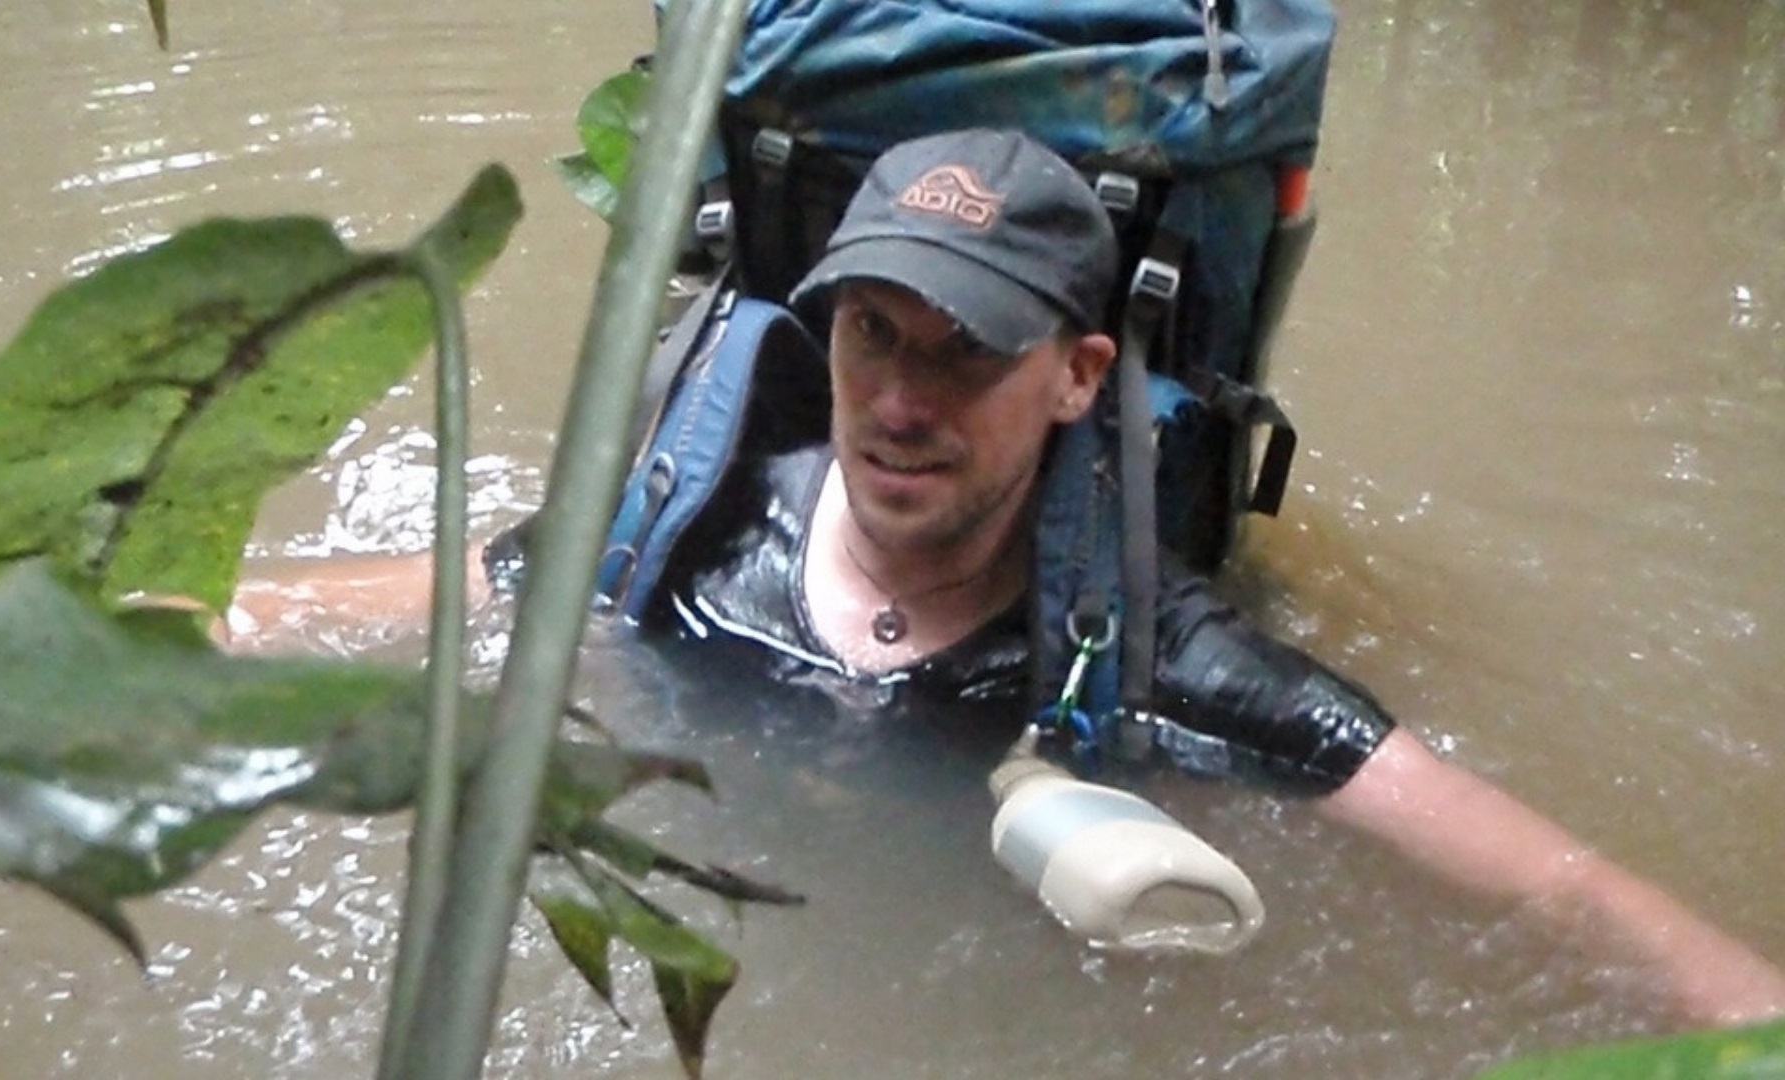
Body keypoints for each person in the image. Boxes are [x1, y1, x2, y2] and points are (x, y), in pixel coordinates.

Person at [230, 129, 1785, 1026]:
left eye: (971, 348)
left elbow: (1563, 884)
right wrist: (189, 625)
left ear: (1075, 376)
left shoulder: (1159, 652)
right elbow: (419, 596)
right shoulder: (689, 536)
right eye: (873, 332)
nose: (904, 397)